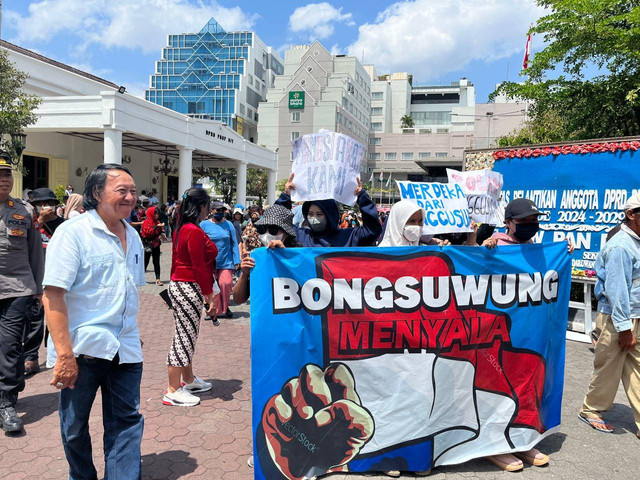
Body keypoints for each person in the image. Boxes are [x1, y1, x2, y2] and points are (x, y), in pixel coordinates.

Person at [42, 164, 145, 479]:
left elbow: (129, 290)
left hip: (125, 348)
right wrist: (64, 355)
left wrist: (131, 331)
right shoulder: (73, 233)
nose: (130, 197)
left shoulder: (134, 236)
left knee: (126, 422)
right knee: (74, 426)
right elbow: (53, 295)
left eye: (133, 191)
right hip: (82, 351)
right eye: (122, 191)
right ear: (97, 193)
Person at [481, 197, 573, 471]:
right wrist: (483, 249)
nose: (531, 225)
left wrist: (564, 251)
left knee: (527, 387)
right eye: (524, 222)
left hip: (530, 336)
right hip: (498, 336)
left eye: (534, 221)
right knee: (498, 389)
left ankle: (522, 441)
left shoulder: (537, 250)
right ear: (508, 223)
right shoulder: (495, 247)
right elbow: (470, 273)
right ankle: (495, 445)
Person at [579, 193, 640, 438]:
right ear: (631, 215)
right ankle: (592, 410)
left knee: (637, 369)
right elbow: (617, 290)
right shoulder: (620, 246)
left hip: (634, 314)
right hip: (619, 318)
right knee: (608, 368)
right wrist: (625, 329)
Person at [0, 158, 44, 433]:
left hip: (18, 288)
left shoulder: (24, 211)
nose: (5, 179)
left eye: (7, 174)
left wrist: (39, 288)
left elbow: (35, 252)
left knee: (10, 345)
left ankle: (6, 401)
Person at [164, 187, 218, 407]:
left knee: (185, 334)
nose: (210, 211)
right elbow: (198, 266)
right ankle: (173, 389)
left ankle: (187, 379)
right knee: (184, 337)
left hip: (180, 284)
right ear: (201, 206)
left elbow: (176, 261)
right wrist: (210, 296)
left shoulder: (181, 228)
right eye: (208, 206)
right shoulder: (193, 230)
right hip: (188, 285)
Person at [23, 188, 66, 376]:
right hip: (32, 275)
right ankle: (30, 357)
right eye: (40, 204)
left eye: (49, 203)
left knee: (56, 316)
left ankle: (54, 355)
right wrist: (39, 220)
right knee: (32, 317)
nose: (45, 207)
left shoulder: (63, 225)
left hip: (57, 277)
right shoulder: (30, 223)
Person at [277, 173, 382, 247]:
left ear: (330, 215)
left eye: (319, 214)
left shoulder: (348, 237)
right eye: (310, 214)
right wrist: (286, 196)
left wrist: (362, 198)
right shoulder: (300, 236)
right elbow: (276, 222)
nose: (314, 218)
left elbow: (372, 230)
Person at [201, 201, 240, 318]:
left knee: (226, 283)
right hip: (209, 263)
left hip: (226, 261)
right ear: (211, 211)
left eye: (222, 210)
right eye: (218, 210)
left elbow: (234, 243)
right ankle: (215, 309)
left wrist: (237, 260)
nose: (220, 213)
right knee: (212, 288)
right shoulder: (204, 225)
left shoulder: (229, 225)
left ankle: (224, 307)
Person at [140, 206, 167, 286]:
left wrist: (162, 233)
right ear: (151, 214)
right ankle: (141, 278)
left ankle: (158, 279)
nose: (157, 215)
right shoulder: (146, 222)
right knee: (145, 262)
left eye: (157, 214)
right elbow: (148, 232)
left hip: (156, 244)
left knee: (156, 262)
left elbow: (161, 230)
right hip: (147, 245)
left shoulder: (157, 222)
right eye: (155, 214)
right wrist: (157, 227)